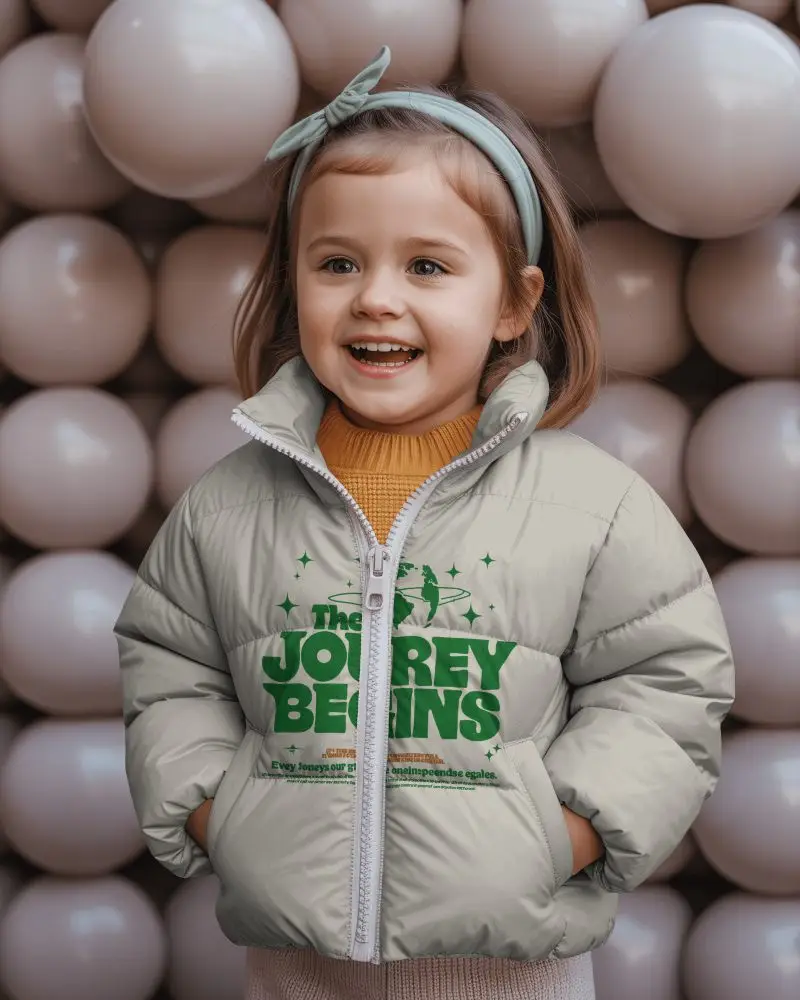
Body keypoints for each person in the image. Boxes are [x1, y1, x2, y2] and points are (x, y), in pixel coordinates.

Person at [115, 47, 734, 1000]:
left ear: (512, 304)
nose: (376, 296)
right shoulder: (228, 505)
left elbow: (667, 681)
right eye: (337, 263)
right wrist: (215, 813)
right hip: (295, 972)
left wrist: (561, 832)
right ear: (294, 284)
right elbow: (171, 666)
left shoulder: (593, 506)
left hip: (508, 973)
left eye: (429, 265)